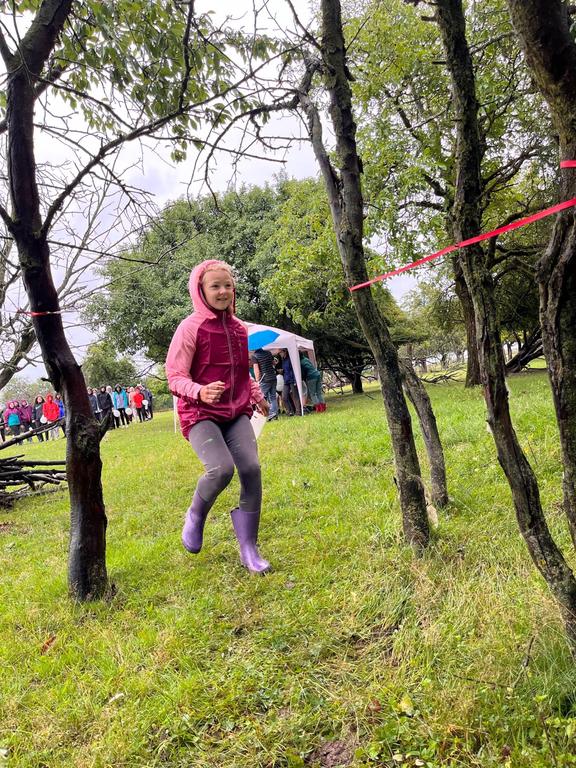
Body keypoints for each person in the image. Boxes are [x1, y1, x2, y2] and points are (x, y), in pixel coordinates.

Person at [166, 258, 271, 574]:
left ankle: (249, 548)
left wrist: (257, 396)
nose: (223, 291)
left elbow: (241, 372)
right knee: (221, 469)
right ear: (201, 291)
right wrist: (199, 391)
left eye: (228, 286)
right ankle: (196, 514)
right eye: (215, 286)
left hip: (235, 410)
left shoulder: (239, 329)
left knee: (251, 469)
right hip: (199, 413)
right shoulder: (190, 328)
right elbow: (174, 376)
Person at [250, 347, 279, 421]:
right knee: (273, 397)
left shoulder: (254, 356)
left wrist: (257, 381)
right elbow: (273, 363)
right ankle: (274, 414)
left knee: (260, 398)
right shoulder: (268, 353)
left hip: (264, 379)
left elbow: (256, 370)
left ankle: (261, 415)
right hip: (273, 377)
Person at [280, 348, 301, 416]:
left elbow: (294, 369)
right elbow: (286, 370)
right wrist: (282, 371)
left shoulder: (290, 359)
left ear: (285, 352)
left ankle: (298, 412)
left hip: (292, 379)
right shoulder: (283, 360)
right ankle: (289, 411)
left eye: (280, 352)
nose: (280, 354)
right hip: (286, 380)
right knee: (284, 396)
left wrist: (295, 380)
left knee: (295, 396)